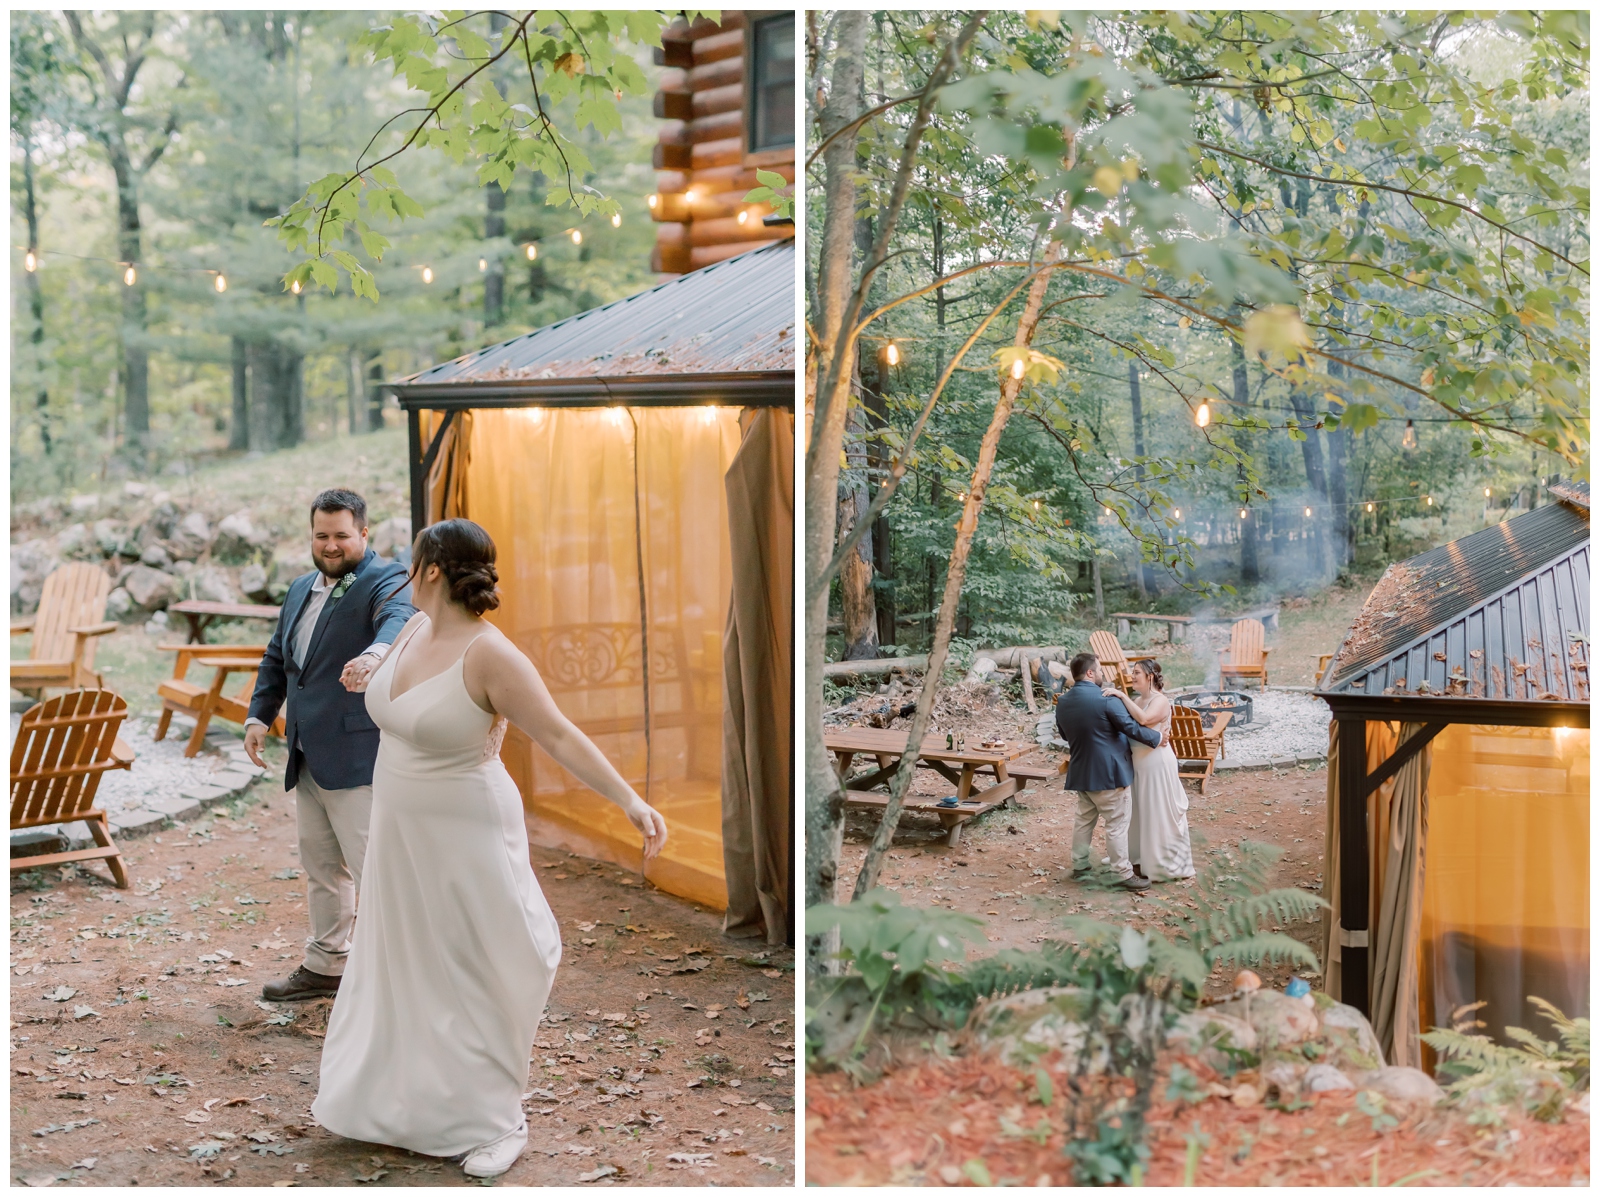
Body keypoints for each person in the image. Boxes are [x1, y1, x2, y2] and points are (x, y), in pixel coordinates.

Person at [311, 518, 669, 1179]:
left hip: (466, 830)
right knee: (405, 964)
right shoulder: (413, 629)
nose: (403, 571)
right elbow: (392, 687)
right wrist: (370, 668)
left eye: (412, 561)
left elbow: (558, 735)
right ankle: (400, 1103)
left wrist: (630, 798)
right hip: (399, 831)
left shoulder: (491, 655)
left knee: (472, 963)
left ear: (434, 572)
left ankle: (494, 1119)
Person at [245, 489, 416, 1001]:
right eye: (322, 535)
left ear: (364, 533)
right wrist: (259, 714)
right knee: (322, 867)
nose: (332, 544)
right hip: (304, 751)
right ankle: (326, 965)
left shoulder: (385, 579)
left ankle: (401, 976)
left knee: (375, 870)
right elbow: (278, 657)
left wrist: (378, 653)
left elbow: (399, 618)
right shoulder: (299, 587)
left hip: (356, 753)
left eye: (342, 535)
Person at [1054, 652, 1164, 891]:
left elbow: (1065, 735)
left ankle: (1080, 865)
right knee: (1116, 823)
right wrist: (1158, 737)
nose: (1103, 675)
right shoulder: (1106, 698)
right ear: (1090, 673)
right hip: (1110, 775)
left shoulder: (1062, 702)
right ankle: (1123, 873)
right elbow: (1131, 727)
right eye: (1100, 670)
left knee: (1083, 822)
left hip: (1082, 773)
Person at [1106, 659, 1195, 882]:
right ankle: (1139, 857)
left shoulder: (1161, 701)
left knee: (1158, 811)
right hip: (1139, 765)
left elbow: (1144, 720)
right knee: (1139, 813)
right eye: (1132, 672)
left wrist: (1121, 696)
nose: (1132, 676)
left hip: (1157, 764)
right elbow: (1129, 728)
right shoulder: (1138, 699)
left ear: (1150, 677)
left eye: (1136, 673)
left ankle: (1163, 865)